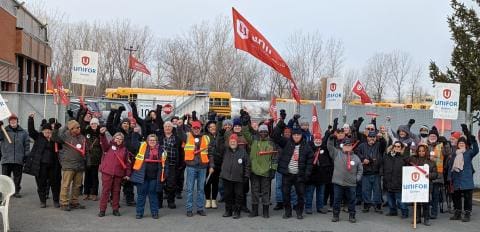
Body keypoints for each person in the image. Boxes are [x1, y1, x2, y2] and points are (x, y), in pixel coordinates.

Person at [273, 120, 313, 220]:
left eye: (298, 135)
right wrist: (280, 124)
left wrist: (307, 174)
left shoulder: (306, 146)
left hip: (299, 175)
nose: (296, 137)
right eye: (294, 135)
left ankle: (299, 212)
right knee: (285, 194)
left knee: (300, 195)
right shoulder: (287, 143)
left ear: (301, 136)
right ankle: (288, 212)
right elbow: (276, 136)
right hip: (287, 174)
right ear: (292, 135)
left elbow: (310, 161)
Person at [23, 113, 60, 208]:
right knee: (41, 184)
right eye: (46, 131)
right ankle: (43, 201)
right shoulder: (39, 137)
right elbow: (31, 131)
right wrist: (30, 119)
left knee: (55, 183)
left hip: (53, 165)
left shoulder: (54, 139)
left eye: (49, 131)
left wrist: (55, 130)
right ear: (43, 131)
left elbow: (61, 145)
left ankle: (56, 200)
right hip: (40, 165)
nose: (47, 133)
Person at [327, 135, 363, 223]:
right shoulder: (337, 153)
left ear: (351, 146)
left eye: (349, 145)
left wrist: (357, 179)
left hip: (351, 184)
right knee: (337, 200)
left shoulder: (356, 158)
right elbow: (330, 147)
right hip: (338, 183)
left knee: (351, 201)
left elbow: (360, 169)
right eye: (346, 145)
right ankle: (335, 216)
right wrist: (330, 139)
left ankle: (352, 216)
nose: (347, 147)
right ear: (343, 146)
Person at [130, 134, 167, 219]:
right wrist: (134, 132)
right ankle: (139, 213)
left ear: (156, 141)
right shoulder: (142, 147)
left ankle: (154, 213)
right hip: (142, 176)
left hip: (154, 177)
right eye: (150, 140)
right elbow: (133, 142)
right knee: (141, 195)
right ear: (147, 141)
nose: (152, 142)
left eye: (154, 140)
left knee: (153, 195)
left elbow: (165, 164)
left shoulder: (161, 151)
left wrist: (165, 175)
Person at [54, 120, 87, 211]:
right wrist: (65, 126)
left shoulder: (82, 137)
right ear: (71, 129)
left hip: (79, 165)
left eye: (79, 127)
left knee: (77, 185)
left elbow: (85, 150)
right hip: (68, 164)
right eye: (77, 127)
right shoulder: (65, 136)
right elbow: (56, 137)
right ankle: (64, 203)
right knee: (66, 185)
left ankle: (74, 202)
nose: (79, 129)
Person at [448, 125, 478, 222]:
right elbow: (451, 166)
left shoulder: (469, 152)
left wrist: (473, 140)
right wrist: (450, 177)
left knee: (467, 198)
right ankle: (457, 213)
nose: (461, 144)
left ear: (465, 144)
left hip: (466, 179)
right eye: (460, 143)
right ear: (458, 144)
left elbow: (476, 150)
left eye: (463, 143)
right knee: (456, 197)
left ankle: (467, 214)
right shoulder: (454, 153)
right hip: (456, 178)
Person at [184, 120, 214, 217]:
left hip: (203, 167)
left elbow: (210, 154)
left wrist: (211, 166)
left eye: (198, 128)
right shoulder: (187, 136)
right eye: (194, 128)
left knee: (201, 189)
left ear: (200, 128)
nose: (196, 130)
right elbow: (179, 133)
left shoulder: (206, 138)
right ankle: (189, 209)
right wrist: (182, 123)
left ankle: (200, 208)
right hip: (191, 167)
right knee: (189, 189)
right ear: (191, 128)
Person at [98, 130, 131, 217]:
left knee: (116, 192)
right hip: (107, 172)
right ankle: (102, 210)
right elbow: (103, 143)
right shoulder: (108, 146)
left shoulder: (125, 150)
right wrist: (102, 134)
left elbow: (127, 163)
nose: (119, 140)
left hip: (118, 174)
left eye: (120, 139)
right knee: (105, 192)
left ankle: (115, 209)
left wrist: (127, 174)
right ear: (114, 138)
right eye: (117, 138)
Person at [220, 134, 251, 219]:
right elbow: (219, 144)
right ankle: (228, 211)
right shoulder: (225, 150)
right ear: (228, 142)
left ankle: (237, 211)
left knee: (239, 195)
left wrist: (246, 175)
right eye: (231, 141)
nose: (233, 142)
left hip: (239, 178)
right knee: (228, 195)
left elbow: (247, 165)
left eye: (234, 141)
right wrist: (221, 133)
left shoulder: (243, 152)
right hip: (226, 177)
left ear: (237, 142)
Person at [249, 124, 276, 218]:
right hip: (254, 171)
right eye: (261, 131)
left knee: (265, 192)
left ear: (268, 132)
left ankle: (266, 211)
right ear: (258, 132)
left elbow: (274, 158)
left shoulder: (271, 143)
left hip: (266, 171)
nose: (263, 133)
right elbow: (246, 132)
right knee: (254, 191)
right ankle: (255, 211)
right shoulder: (254, 141)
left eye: (265, 131)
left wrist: (273, 169)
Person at [356, 131, 386, 213]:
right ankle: (366, 205)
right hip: (365, 172)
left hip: (376, 172)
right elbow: (357, 152)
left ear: (375, 138)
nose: (372, 139)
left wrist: (382, 138)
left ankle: (378, 206)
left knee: (377, 190)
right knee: (365, 190)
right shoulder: (362, 145)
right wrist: (363, 159)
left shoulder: (379, 145)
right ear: (367, 137)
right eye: (370, 137)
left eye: (373, 137)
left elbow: (384, 144)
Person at [407, 144, 438, 226]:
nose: (421, 152)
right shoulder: (413, 159)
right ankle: (417, 218)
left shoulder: (431, 162)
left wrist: (429, 175)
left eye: (423, 151)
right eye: (419, 151)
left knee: (425, 203)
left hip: (426, 186)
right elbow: (405, 160)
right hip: (416, 185)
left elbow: (435, 174)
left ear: (426, 151)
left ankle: (426, 219)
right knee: (416, 202)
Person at [0, 114, 30, 198]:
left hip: (18, 158)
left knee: (17, 177)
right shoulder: (4, 131)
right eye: (11, 120)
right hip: (6, 158)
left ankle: (16, 191)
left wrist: (26, 155)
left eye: (14, 120)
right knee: (6, 177)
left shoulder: (23, 132)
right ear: (9, 122)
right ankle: (6, 192)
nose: (13, 122)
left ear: (17, 121)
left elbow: (27, 144)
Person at [158, 121, 184, 209]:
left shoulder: (177, 139)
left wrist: (181, 163)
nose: (168, 128)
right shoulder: (159, 138)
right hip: (161, 165)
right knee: (160, 184)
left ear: (172, 128)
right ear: (163, 128)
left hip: (173, 165)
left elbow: (181, 152)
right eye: (166, 126)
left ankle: (171, 201)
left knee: (171, 184)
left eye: (169, 126)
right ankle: (159, 202)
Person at [305, 133, 332, 214]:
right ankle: (308, 207)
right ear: (313, 139)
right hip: (312, 175)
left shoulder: (324, 148)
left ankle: (320, 207)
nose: (317, 140)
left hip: (322, 175)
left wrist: (327, 170)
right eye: (316, 139)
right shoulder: (309, 148)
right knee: (309, 193)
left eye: (319, 139)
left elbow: (328, 160)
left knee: (321, 193)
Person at [381, 141, 409, 218]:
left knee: (400, 200)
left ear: (401, 148)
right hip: (388, 181)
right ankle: (393, 211)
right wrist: (382, 174)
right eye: (395, 146)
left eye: (398, 146)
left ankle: (404, 212)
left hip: (399, 182)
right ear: (392, 147)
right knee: (390, 199)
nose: (396, 148)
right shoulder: (387, 156)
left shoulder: (404, 157)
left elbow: (409, 167)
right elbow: (382, 165)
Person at [426, 128, 449, 219]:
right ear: (429, 136)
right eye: (431, 135)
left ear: (437, 137)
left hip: (437, 175)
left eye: (434, 136)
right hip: (425, 174)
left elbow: (447, 153)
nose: (432, 137)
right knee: (426, 195)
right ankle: (426, 211)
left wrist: (446, 143)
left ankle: (434, 212)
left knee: (435, 195)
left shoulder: (441, 145)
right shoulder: (424, 145)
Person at [83, 117, 102, 201]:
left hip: (96, 157)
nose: (93, 125)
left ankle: (94, 193)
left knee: (94, 176)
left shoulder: (100, 134)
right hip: (87, 157)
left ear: (98, 125)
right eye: (92, 124)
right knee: (87, 176)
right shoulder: (86, 132)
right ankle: (86, 193)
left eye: (95, 124)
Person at [205, 120, 220, 209]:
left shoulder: (219, 136)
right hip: (207, 162)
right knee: (207, 182)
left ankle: (213, 200)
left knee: (215, 183)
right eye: (211, 127)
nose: (213, 128)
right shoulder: (205, 137)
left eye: (214, 126)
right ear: (208, 128)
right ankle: (207, 200)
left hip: (218, 162)